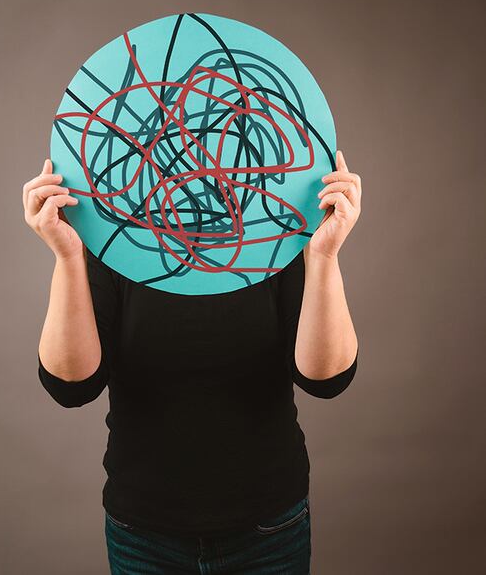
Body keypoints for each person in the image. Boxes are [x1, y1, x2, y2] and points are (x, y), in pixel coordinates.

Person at [22, 152, 361, 574]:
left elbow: (326, 379)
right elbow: (71, 386)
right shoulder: (114, 243)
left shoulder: (277, 237)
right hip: (143, 535)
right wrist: (68, 256)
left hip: (269, 530)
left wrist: (324, 256)